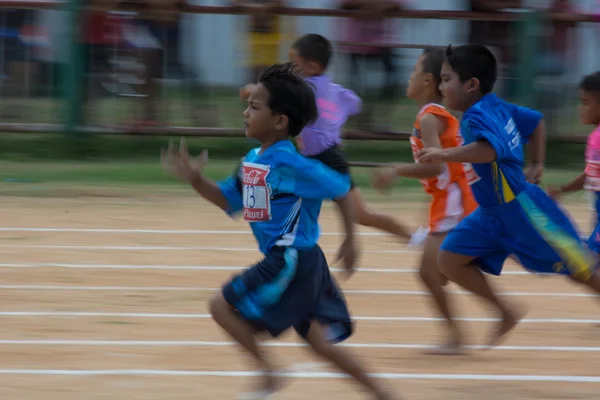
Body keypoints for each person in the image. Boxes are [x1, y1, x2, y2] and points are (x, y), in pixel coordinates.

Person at [162, 63, 399, 400]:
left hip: (291, 260)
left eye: (254, 107)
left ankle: (270, 372)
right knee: (321, 344)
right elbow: (228, 200)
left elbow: (342, 188)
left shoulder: (291, 164)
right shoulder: (254, 159)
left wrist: (351, 238)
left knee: (221, 306)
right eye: (247, 105)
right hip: (304, 261)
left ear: (279, 121)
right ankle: (384, 394)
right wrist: (196, 180)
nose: (245, 112)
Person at [417, 44, 600, 348]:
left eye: (447, 79)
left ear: (471, 85)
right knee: (449, 259)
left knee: (580, 267)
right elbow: (536, 121)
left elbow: (489, 151)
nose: (441, 86)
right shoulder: (496, 106)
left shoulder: (477, 117)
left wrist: (443, 152)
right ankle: (505, 312)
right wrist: (537, 163)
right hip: (490, 214)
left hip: (524, 211)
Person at [241, 33, 412, 241]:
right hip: (322, 156)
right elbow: (354, 103)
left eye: (295, 64)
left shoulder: (306, 88)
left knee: (359, 214)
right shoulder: (336, 90)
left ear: (311, 67)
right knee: (305, 201)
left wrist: (252, 90)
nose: (290, 68)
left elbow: (278, 94)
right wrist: (333, 123)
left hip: (326, 158)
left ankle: (414, 237)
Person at [371, 47, 478, 354]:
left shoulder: (429, 117)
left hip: (454, 202)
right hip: (450, 200)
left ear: (429, 80)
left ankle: (461, 335)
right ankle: (465, 329)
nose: (409, 78)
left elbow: (436, 165)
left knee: (430, 272)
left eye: (413, 72)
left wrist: (395, 171)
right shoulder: (429, 116)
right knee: (437, 272)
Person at [549, 71, 600, 253]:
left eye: (585, 103)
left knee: (591, 261)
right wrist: (563, 189)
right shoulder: (596, 136)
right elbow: (591, 174)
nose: (580, 108)